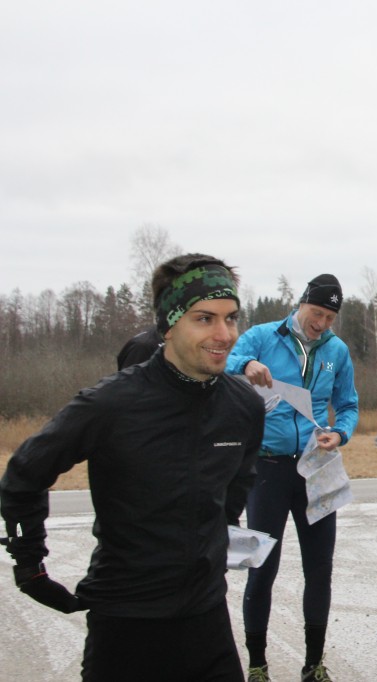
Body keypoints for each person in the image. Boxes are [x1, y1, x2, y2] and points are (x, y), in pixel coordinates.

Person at [0, 253, 265, 682]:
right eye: (204, 318)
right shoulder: (111, 403)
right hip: (125, 622)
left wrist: (217, 545)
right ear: (169, 324)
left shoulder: (244, 406)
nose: (224, 334)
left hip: (206, 619)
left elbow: (236, 486)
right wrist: (30, 566)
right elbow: (24, 473)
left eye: (231, 318)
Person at [226, 274, 359, 682]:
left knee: (319, 569)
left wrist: (339, 433)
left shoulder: (337, 350)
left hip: (317, 470)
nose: (321, 323)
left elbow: (349, 405)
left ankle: (314, 664)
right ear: (301, 303)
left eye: (330, 317)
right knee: (261, 568)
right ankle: (258, 665)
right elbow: (225, 366)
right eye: (317, 313)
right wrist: (246, 365)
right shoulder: (262, 336)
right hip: (266, 470)